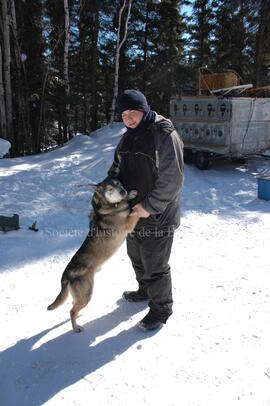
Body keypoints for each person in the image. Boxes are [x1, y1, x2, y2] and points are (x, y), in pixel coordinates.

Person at [108, 89, 184, 331]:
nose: (129, 118)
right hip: (133, 213)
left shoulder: (163, 134)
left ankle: (161, 309)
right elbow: (116, 170)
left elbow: (172, 179)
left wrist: (149, 206)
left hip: (158, 215)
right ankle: (144, 290)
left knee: (155, 264)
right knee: (136, 256)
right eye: (124, 114)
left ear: (145, 109)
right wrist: (109, 190)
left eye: (133, 112)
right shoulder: (128, 137)